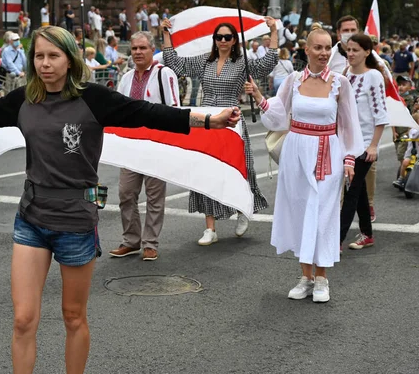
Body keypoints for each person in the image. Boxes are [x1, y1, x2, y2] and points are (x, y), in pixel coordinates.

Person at [0, 25, 240, 374]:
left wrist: (209, 120)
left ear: (69, 60)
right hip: (31, 219)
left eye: (53, 56)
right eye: (39, 56)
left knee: (72, 316)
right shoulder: (24, 99)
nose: (45, 63)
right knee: (24, 319)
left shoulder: (94, 99)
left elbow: (150, 113)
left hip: (75, 222)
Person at [244, 27, 364, 303]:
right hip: (296, 153)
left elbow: (349, 125)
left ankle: (322, 278)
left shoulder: (339, 83)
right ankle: (305, 276)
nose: (324, 53)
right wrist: (260, 97)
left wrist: (349, 158)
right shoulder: (293, 80)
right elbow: (278, 116)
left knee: (322, 214)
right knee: (299, 211)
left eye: (328, 48)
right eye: (318, 48)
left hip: (327, 154)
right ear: (307, 50)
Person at [161, 16, 279, 243]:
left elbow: (268, 63)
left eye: (227, 37)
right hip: (206, 120)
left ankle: (244, 210)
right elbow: (175, 63)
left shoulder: (242, 63)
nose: (223, 40)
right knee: (205, 171)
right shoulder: (205, 61)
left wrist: (273, 31)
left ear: (234, 40)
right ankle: (210, 228)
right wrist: (166, 35)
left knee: (241, 169)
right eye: (219, 37)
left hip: (232, 120)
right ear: (214, 40)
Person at [109, 31, 181, 261]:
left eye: (143, 48)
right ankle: (131, 241)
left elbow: (175, 110)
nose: (138, 52)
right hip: (130, 147)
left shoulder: (164, 74)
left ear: (152, 50)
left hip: (156, 145)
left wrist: (169, 143)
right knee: (126, 193)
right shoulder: (127, 78)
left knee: (154, 197)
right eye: (134, 49)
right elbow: (117, 110)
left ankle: (150, 243)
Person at [340, 34, 389, 251]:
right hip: (346, 144)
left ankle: (336, 241)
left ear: (367, 52)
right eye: (348, 50)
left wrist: (373, 146)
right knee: (356, 189)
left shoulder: (374, 77)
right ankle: (367, 234)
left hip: (365, 144)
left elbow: (380, 114)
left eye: (355, 50)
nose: (350, 54)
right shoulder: (345, 74)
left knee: (350, 191)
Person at [393, 112, 419, 188]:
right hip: (411, 154)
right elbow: (414, 136)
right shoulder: (413, 130)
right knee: (405, 162)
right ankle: (401, 178)